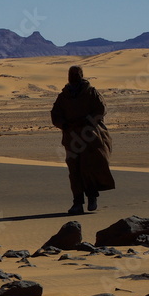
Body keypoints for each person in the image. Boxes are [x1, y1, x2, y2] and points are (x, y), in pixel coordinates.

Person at [50, 65, 115, 214]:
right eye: (71, 74)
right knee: (74, 170)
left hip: (90, 137)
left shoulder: (91, 92)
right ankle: (77, 202)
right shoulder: (64, 95)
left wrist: (86, 121)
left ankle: (92, 196)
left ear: (81, 75)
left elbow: (101, 110)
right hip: (71, 139)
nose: (73, 76)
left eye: (76, 74)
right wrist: (65, 124)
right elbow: (55, 115)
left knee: (90, 167)